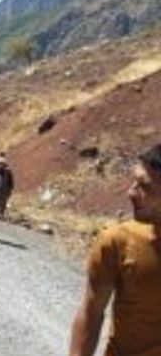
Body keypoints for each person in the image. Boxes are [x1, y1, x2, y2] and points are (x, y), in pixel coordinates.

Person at [69, 144, 161, 356]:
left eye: (145, 187)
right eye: (134, 182)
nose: (131, 193)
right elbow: (92, 312)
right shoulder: (117, 242)